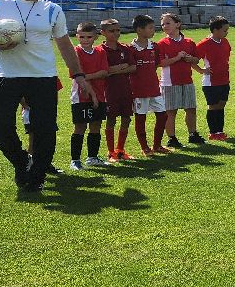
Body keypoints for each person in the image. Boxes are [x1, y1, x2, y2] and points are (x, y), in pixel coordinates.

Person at [0, 0, 96, 192]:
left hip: (43, 76)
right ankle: (21, 162)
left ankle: (36, 177)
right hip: (6, 76)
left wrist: (78, 75)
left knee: (45, 129)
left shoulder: (53, 9)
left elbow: (65, 44)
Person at [68, 21, 111, 171]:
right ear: (77, 36)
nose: (85, 40)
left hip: (100, 94)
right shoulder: (75, 52)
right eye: (82, 37)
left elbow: (105, 72)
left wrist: (85, 76)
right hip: (80, 96)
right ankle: (75, 160)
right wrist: (87, 77)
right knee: (80, 126)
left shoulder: (100, 52)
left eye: (89, 37)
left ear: (95, 37)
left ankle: (92, 157)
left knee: (96, 125)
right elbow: (76, 75)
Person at [157, 12, 203, 146]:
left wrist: (190, 59)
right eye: (163, 24)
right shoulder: (161, 44)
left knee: (191, 109)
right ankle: (172, 138)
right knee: (171, 112)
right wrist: (177, 58)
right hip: (169, 83)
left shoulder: (189, 42)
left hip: (187, 81)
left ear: (178, 24)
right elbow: (160, 63)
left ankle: (193, 134)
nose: (164, 26)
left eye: (167, 23)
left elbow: (196, 59)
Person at [128, 13, 166, 155]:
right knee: (141, 118)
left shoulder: (154, 47)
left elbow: (156, 64)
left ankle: (157, 146)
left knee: (163, 116)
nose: (153, 30)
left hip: (155, 89)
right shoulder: (130, 49)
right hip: (139, 90)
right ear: (139, 30)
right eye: (150, 28)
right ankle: (145, 147)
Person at [99, 17, 136, 161]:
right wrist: (122, 67)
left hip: (126, 90)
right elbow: (105, 71)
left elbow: (133, 67)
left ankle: (120, 150)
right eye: (111, 31)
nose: (115, 33)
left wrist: (115, 69)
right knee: (111, 119)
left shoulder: (125, 48)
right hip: (109, 91)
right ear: (103, 32)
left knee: (126, 119)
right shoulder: (101, 51)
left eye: (118, 30)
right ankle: (110, 152)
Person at [195, 16, 233, 141]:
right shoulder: (204, 43)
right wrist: (201, 70)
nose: (226, 32)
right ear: (215, 30)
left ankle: (220, 131)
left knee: (221, 105)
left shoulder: (225, 42)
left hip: (224, 80)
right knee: (213, 106)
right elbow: (193, 59)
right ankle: (213, 132)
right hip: (210, 82)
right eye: (224, 30)